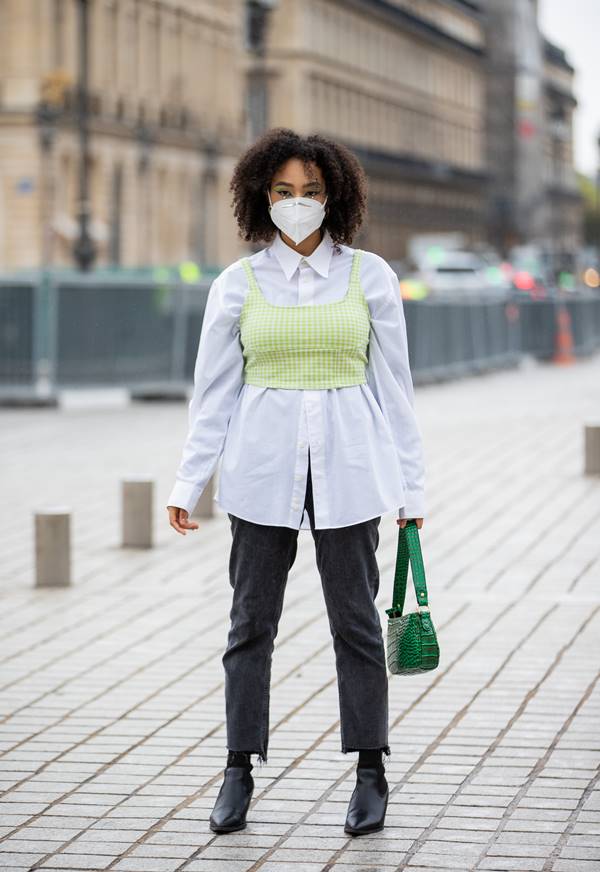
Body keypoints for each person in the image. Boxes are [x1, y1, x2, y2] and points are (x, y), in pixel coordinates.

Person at [166, 127, 425, 837]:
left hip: (348, 470)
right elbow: (212, 394)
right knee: (250, 624)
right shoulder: (237, 284)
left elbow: (394, 389)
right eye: (284, 192)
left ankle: (371, 768)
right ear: (261, 196)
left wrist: (413, 494)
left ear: (333, 195)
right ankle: (237, 768)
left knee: (358, 623)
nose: (298, 203)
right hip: (260, 472)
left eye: (311, 191)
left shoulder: (369, 276)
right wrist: (188, 483)